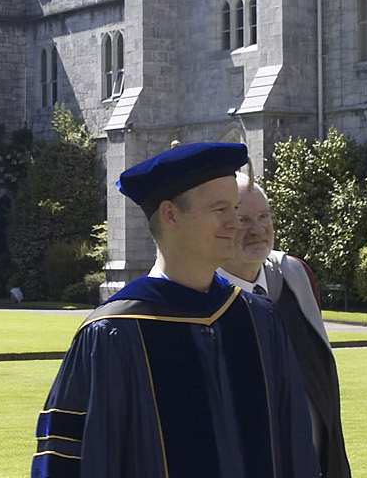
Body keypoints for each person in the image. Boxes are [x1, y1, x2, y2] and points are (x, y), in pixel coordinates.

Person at [33, 142, 316, 478]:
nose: (235, 222)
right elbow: (68, 460)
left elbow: (296, 446)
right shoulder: (114, 333)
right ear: (170, 214)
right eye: (220, 209)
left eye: (235, 208)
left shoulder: (259, 320)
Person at [217, 176, 350, 478]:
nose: (258, 230)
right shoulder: (197, 303)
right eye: (244, 220)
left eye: (264, 216)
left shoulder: (294, 278)